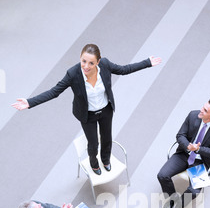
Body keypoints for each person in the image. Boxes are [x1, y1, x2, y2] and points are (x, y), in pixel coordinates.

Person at [12, 44, 161, 175]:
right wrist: (29, 102)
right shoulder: (73, 74)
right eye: (84, 61)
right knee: (93, 143)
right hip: (87, 114)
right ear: (80, 59)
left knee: (107, 138)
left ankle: (105, 160)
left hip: (105, 110)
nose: (86, 66)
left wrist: (147, 63)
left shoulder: (106, 65)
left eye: (91, 62)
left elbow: (124, 69)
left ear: (98, 61)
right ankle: (94, 164)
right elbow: (54, 91)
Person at [157, 99, 210, 208]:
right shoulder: (193, 115)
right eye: (203, 107)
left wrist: (198, 149)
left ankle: (181, 204)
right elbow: (180, 135)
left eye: (205, 110)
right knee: (162, 175)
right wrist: (188, 146)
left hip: (200, 161)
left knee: (194, 191)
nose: (201, 110)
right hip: (183, 154)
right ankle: (172, 198)